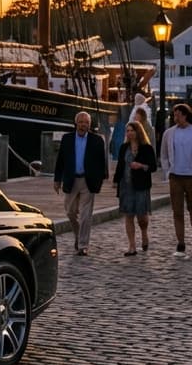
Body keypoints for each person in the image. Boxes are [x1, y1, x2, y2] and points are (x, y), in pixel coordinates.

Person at [53, 110, 108, 256]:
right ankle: (78, 235)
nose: (83, 125)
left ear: (89, 125)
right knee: (70, 212)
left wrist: (100, 180)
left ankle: (83, 245)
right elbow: (60, 160)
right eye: (81, 122)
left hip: (87, 181)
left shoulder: (97, 140)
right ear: (76, 123)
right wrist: (57, 180)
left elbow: (102, 163)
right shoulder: (67, 139)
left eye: (86, 123)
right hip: (71, 179)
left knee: (85, 215)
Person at [112, 121, 157, 255]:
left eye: (132, 130)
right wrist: (115, 181)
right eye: (128, 131)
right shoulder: (124, 147)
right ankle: (132, 246)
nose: (130, 133)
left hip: (141, 186)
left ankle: (144, 234)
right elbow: (120, 165)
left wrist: (141, 166)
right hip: (126, 186)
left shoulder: (147, 148)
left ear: (138, 132)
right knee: (129, 215)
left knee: (142, 217)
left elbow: (153, 167)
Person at [159, 102, 192, 257]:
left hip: (191, 176)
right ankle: (181, 242)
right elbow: (164, 153)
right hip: (175, 176)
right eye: (174, 115)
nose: (175, 118)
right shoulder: (169, 133)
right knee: (177, 211)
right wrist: (167, 171)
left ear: (185, 115)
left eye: (178, 115)